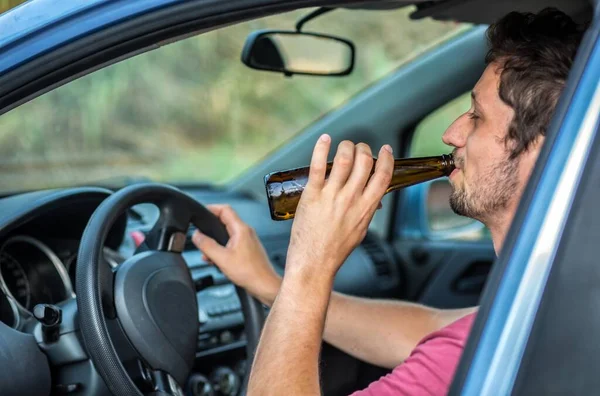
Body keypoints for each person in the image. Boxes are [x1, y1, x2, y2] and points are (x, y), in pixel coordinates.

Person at [192, 8, 585, 395]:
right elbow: (430, 329)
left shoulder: (476, 359)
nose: (451, 134)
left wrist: (310, 264)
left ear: (540, 150)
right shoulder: (559, 290)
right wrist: (269, 283)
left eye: (476, 117)